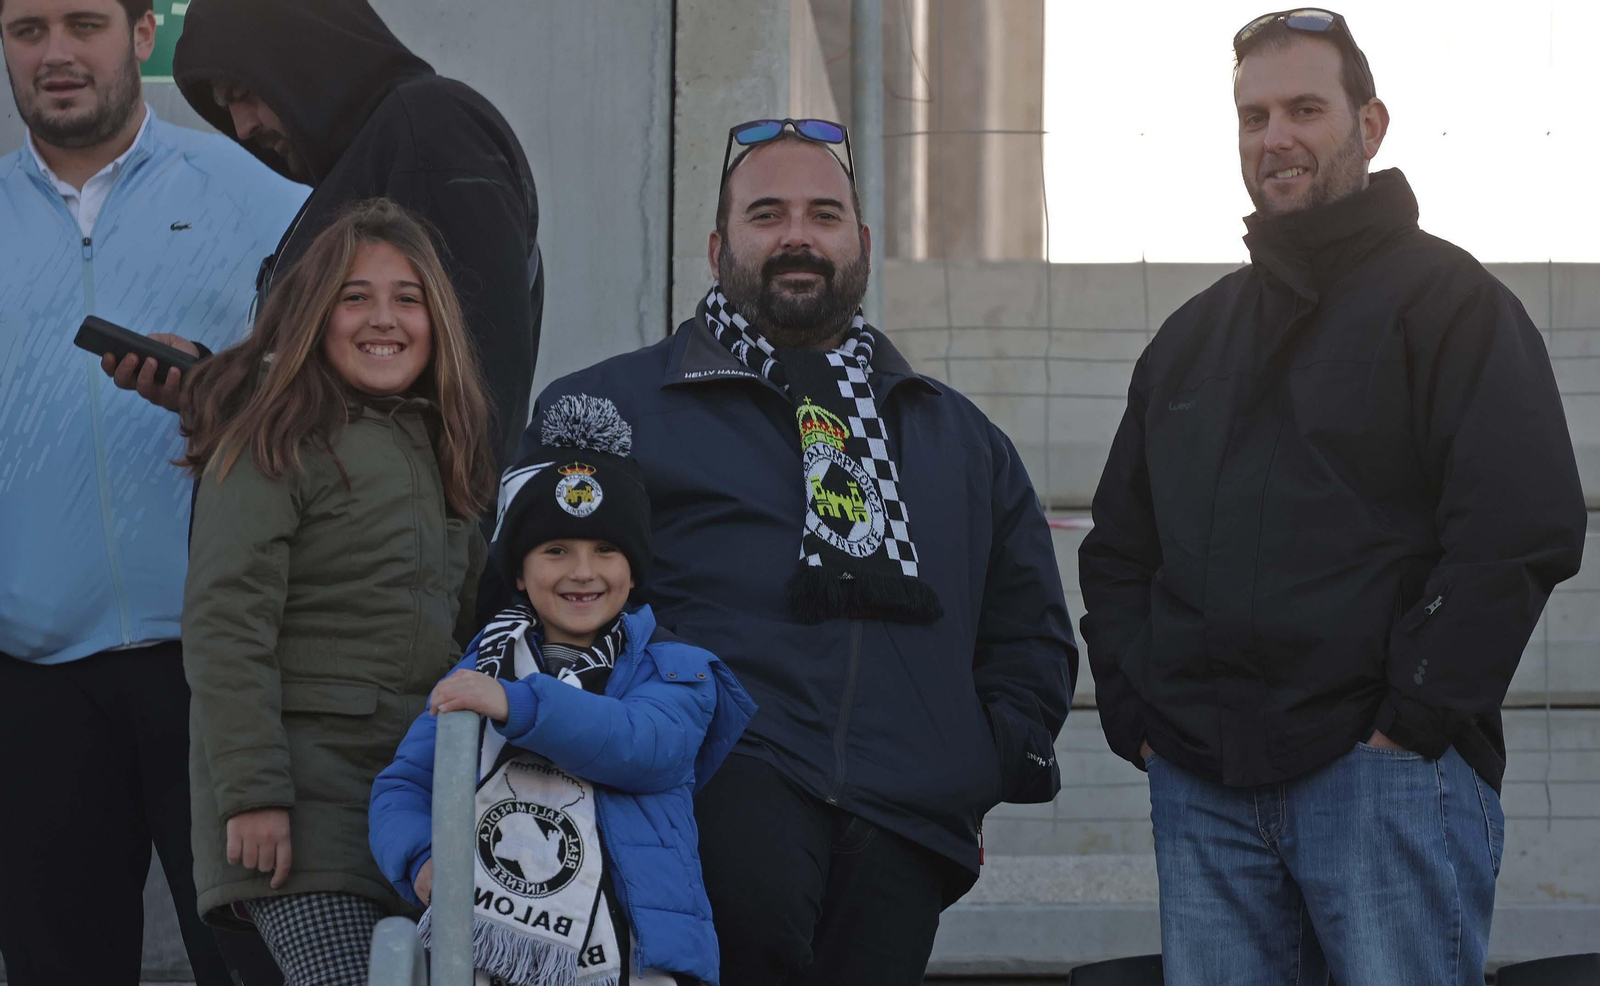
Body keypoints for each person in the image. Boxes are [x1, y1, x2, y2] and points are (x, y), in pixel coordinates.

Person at [1078, 10, 1586, 985]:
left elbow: (1517, 529)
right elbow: (1119, 548)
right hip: (1202, 782)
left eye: (1304, 108)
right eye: (1252, 114)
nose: (1274, 137)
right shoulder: (1190, 339)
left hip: (1383, 775)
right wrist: (1140, 714)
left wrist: (1409, 722)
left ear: (1371, 123)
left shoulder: (1454, 307)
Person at [508, 119, 1076, 984]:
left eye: (823, 214)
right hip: (700, 808)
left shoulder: (960, 440)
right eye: (766, 214)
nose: (798, 237)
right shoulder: (607, 410)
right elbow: (515, 608)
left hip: (906, 828)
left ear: (863, 242)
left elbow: (1029, 631)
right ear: (716, 246)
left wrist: (973, 758)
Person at [0, 0, 304, 982]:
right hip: (28, 680)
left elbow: (341, 398)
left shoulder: (263, 199)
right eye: (24, 29)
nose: (53, 53)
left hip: (219, 672)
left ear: (144, 33)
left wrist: (221, 388)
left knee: (250, 965)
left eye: (82, 22)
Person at [178, 198, 495, 986]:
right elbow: (226, 621)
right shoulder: (273, 438)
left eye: (407, 297)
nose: (381, 318)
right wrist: (251, 793)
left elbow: (471, 630)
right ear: (313, 316)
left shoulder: (440, 449)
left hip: (415, 808)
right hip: (300, 810)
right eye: (354, 296)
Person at [370, 394, 756, 986]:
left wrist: (519, 703)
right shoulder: (482, 668)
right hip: (486, 957)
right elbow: (405, 784)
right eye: (556, 551)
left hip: (631, 961)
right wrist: (423, 860)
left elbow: (641, 746)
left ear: (634, 570)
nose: (583, 571)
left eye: (606, 550)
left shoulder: (677, 669)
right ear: (520, 574)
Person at [167, 0, 542, 477]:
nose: (242, 127)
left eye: (244, 92)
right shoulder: (380, 153)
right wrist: (219, 384)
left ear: (305, 53)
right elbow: (349, 395)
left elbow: (477, 387)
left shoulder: (432, 130)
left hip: (394, 545)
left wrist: (448, 541)